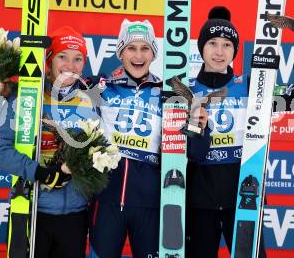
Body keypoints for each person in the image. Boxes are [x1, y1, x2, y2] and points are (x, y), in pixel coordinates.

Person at [185, 6, 294, 258]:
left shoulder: (252, 87)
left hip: (243, 198)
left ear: (235, 51)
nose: (219, 52)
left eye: (227, 45)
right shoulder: (185, 90)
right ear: (202, 47)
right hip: (198, 203)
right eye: (213, 43)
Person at [88, 19, 208, 258]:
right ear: (120, 52)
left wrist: (199, 127)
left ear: (153, 54)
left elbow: (197, 152)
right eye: (131, 48)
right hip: (106, 200)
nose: (138, 55)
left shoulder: (169, 93)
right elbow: (60, 93)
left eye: (145, 49)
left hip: (151, 202)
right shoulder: (102, 87)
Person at [0, 26, 94, 258]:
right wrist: (40, 173)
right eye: (62, 57)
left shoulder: (92, 100)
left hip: (75, 215)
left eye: (78, 59)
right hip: (32, 210)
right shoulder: (26, 96)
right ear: (48, 61)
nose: (70, 65)